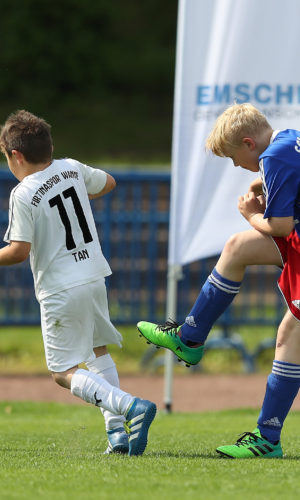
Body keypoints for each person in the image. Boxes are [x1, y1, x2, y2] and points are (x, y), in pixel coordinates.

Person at [0, 110, 156, 456]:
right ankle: (117, 434)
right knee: (98, 351)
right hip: (94, 275)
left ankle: (131, 407)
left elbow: (18, 251)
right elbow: (109, 182)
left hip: (60, 288)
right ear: (50, 146)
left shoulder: (23, 193)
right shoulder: (70, 167)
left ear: (15, 156)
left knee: (62, 371)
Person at [138, 103, 300, 458]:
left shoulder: (274, 157)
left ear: (248, 143)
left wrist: (251, 214)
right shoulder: (288, 140)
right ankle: (189, 338)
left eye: (233, 157)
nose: (236, 166)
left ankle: (267, 439)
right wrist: (262, 181)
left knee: (291, 333)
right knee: (237, 247)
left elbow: (281, 227)